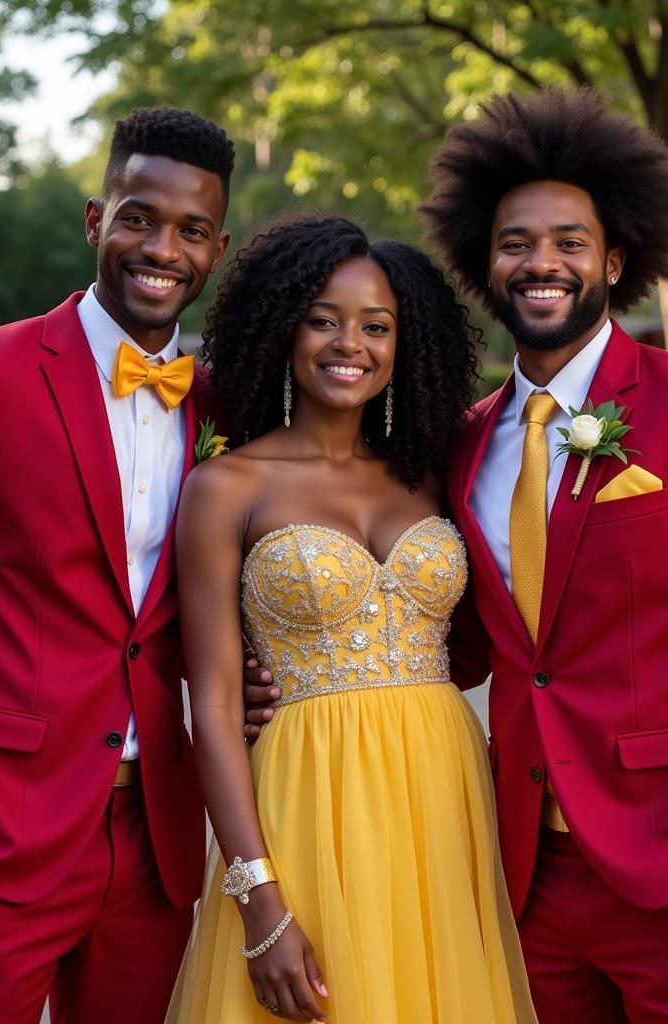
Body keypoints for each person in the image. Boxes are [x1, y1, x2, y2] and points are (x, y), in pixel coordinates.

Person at [417, 87, 668, 1023]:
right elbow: (475, 646)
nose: (541, 262)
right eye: (516, 242)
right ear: (485, 263)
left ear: (614, 256)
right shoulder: (468, 440)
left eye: (568, 241)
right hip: (526, 873)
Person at [0, 106, 235, 1024]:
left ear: (218, 249)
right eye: (139, 216)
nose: (161, 248)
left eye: (190, 231)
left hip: (155, 843)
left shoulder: (224, 402)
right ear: (96, 219)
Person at [167, 213, 538, 1023]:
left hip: (442, 793)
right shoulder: (228, 487)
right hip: (305, 793)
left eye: (377, 326)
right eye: (324, 320)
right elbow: (218, 705)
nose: (351, 344)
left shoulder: (434, 478)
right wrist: (258, 898)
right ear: (283, 329)